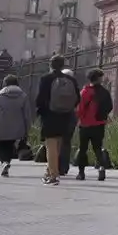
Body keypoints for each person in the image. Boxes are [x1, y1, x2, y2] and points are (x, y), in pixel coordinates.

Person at [34, 55, 80, 186]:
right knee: (59, 145)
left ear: (51, 65)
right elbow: (77, 98)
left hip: (50, 116)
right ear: (63, 65)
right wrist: (68, 108)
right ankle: (49, 171)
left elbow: (40, 99)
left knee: (51, 146)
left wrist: (41, 112)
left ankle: (53, 176)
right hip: (66, 116)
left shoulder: (46, 79)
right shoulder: (70, 79)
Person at [0, 74, 32, 178]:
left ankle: (4, 161)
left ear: (4, 84)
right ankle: (6, 161)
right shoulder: (23, 97)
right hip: (17, 130)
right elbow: (27, 115)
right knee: (10, 146)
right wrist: (27, 129)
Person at [75, 69, 114, 182]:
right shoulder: (104, 92)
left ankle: (81, 173)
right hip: (99, 124)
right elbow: (109, 106)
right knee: (98, 148)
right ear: (99, 78)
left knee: (83, 149)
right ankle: (101, 168)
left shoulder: (85, 92)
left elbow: (80, 109)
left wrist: (80, 119)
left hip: (85, 125)